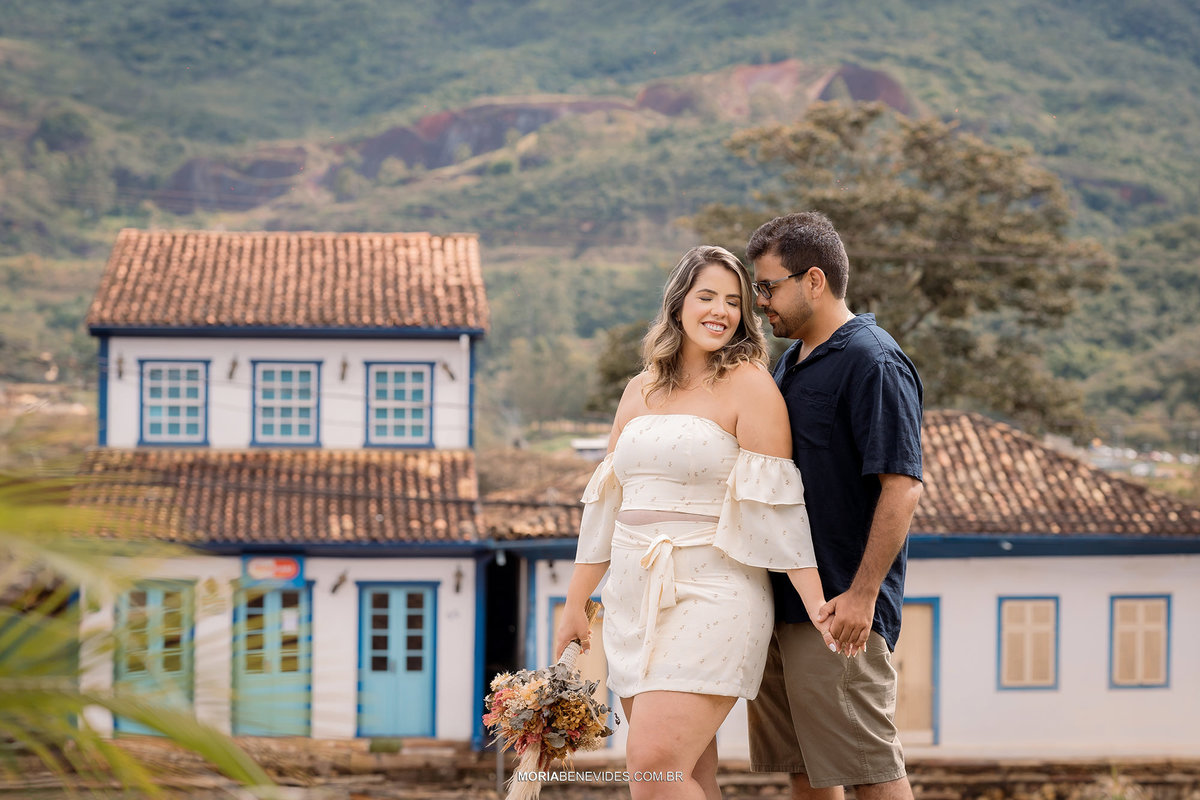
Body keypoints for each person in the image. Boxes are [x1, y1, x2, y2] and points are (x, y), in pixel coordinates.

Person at [553, 245, 839, 800]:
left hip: (714, 592)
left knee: (652, 767)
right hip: (634, 603)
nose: (721, 310)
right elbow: (606, 506)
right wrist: (575, 605)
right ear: (679, 301)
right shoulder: (639, 389)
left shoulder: (750, 383)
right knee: (686, 771)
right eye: (707, 296)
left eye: (734, 301)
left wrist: (816, 605)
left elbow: (777, 506)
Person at [744, 212, 924, 800]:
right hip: (789, 606)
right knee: (807, 771)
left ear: (813, 280)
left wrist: (863, 594)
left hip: (842, 609)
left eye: (768, 286)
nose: (760, 301)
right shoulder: (789, 363)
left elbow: (902, 487)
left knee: (870, 771)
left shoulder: (872, 360)